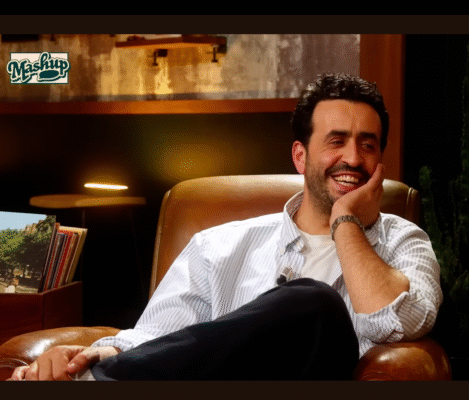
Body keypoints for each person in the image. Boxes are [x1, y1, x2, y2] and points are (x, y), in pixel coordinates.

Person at [10, 73, 442, 381]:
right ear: (300, 156)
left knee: (315, 302)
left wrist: (346, 221)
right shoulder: (217, 245)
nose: (353, 158)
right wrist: (92, 356)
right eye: (336, 141)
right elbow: (159, 339)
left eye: (368, 145)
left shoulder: (405, 241)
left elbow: (399, 322)